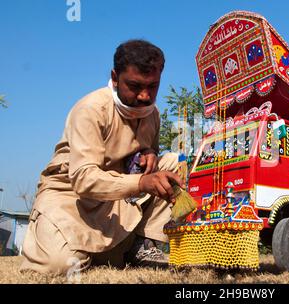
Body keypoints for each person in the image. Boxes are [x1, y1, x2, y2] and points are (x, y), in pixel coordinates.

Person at [20, 39, 184, 275]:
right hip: (70, 198)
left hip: (117, 200)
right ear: (115, 78)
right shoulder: (91, 109)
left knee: (172, 165)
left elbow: (152, 154)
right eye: (135, 86)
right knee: (60, 265)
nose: (145, 96)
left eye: (153, 86)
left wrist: (149, 153)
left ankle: (141, 244)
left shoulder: (153, 114)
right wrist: (140, 182)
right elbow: (84, 179)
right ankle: (58, 239)